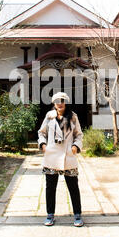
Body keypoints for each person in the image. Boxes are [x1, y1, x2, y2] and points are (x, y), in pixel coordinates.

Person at [37, 92, 84, 227]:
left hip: (68, 155)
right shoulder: (49, 116)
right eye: (57, 101)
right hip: (52, 155)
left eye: (62, 100)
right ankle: (50, 214)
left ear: (66, 102)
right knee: (50, 187)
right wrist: (43, 145)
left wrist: (75, 146)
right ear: (53, 103)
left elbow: (79, 134)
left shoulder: (73, 117)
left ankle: (77, 215)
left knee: (73, 186)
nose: (59, 103)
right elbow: (41, 132)